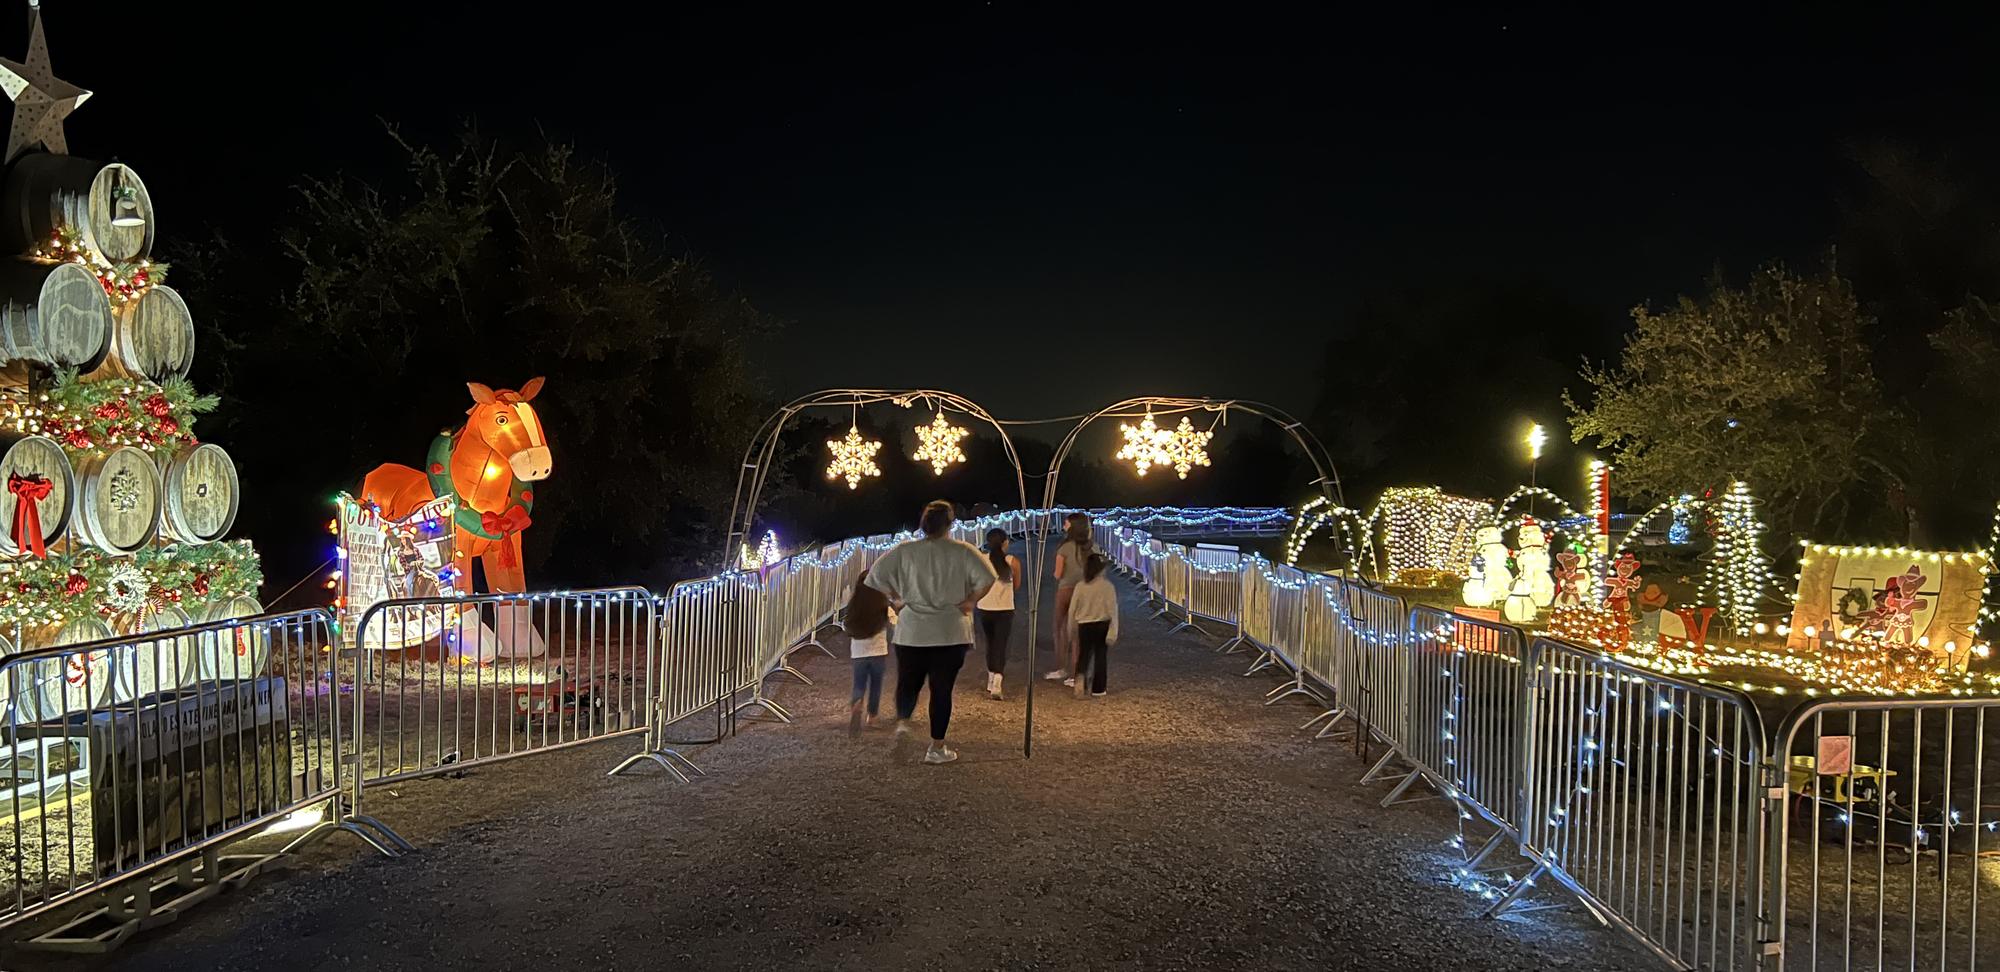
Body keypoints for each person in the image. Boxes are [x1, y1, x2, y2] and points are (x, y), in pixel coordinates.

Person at [864, 500, 998, 764]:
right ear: (950, 524)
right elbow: (988, 577)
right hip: (950, 630)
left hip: (912, 630)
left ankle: (903, 721)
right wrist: (971, 600)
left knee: (908, 680)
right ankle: (936, 747)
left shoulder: (905, 551)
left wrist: (896, 600)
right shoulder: (963, 551)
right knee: (942, 689)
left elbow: (874, 577)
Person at [844, 570, 895, 737]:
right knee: (875, 685)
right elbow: (894, 621)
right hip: (878, 650)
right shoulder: (882, 603)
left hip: (858, 650)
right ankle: (872, 717)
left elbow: (847, 623)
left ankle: (857, 704)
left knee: (859, 684)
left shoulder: (854, 602)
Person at [1046, 512, 1094, 684]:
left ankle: (1061, 668)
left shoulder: (1064, 548)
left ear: (1072, 526)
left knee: (1060, 629)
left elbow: (1058, 574)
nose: (1064, 525)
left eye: (1066, 523)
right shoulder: (1091, 548)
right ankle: (1077, 675)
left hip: (1065, 590)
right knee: (1078, 633)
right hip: (1084, 592)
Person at [976, 527, 1021, 700]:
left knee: (990, 643)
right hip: (1005, 608)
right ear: (1004, 543)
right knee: (1001, 645)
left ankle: (990, 676)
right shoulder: (1012, 562)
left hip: (985, 607)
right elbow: (1017, 585)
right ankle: (997, 680)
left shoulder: (982, 560)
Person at [1069, 553, 1120, 697]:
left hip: (1084, 624)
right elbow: (1113, 610)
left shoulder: (1080, 586)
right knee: (1100, 656)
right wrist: (1114, 630)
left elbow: (1073, 608)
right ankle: (1099, 688)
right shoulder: (1108, 587)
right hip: (1102, 624)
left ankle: (1080, 678)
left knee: (1084, 654)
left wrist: (1071, 626)